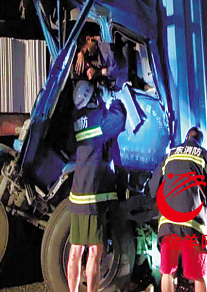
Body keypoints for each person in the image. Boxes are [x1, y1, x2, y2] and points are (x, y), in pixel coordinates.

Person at [67, 80, 126, 292]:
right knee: (94, 251)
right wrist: (114, 100)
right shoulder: (97, 118)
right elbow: (118, 120)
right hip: (93, 197)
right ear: (92, 97)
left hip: (77, 193)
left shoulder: (76, 120)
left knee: (75, 250)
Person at [148, 127, 207, 292]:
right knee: (198, 274)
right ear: (200, 141)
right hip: (192, 226)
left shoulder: (169, 155)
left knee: (167, 272)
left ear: (186, 137)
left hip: (168, 224)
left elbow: (153, 188)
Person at [73, 22, 124, 90]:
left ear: (88, 39)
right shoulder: (98, 49)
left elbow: (114, 71)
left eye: (87, 52)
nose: (90, 54)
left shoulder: (106, 47)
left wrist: (98, 73)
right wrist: (81, 53)